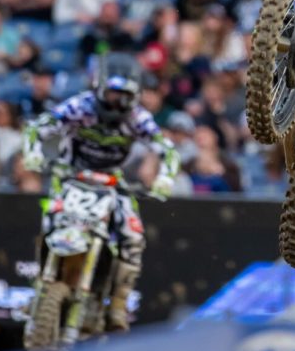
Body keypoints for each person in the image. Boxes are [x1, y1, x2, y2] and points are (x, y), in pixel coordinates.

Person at [21, 53, 178, 331]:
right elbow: (39, 127)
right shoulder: (81, 106)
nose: (117, 102)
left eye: (124, 97)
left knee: (133, 236)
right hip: (71, 176)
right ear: (99, 88)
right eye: (112, 94)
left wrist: (165, 179)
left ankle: (118, 303)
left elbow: (166, 149)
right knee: (50, 222)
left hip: (111, 183)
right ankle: (40, 288)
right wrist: (33, 154)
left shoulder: (137, 118)